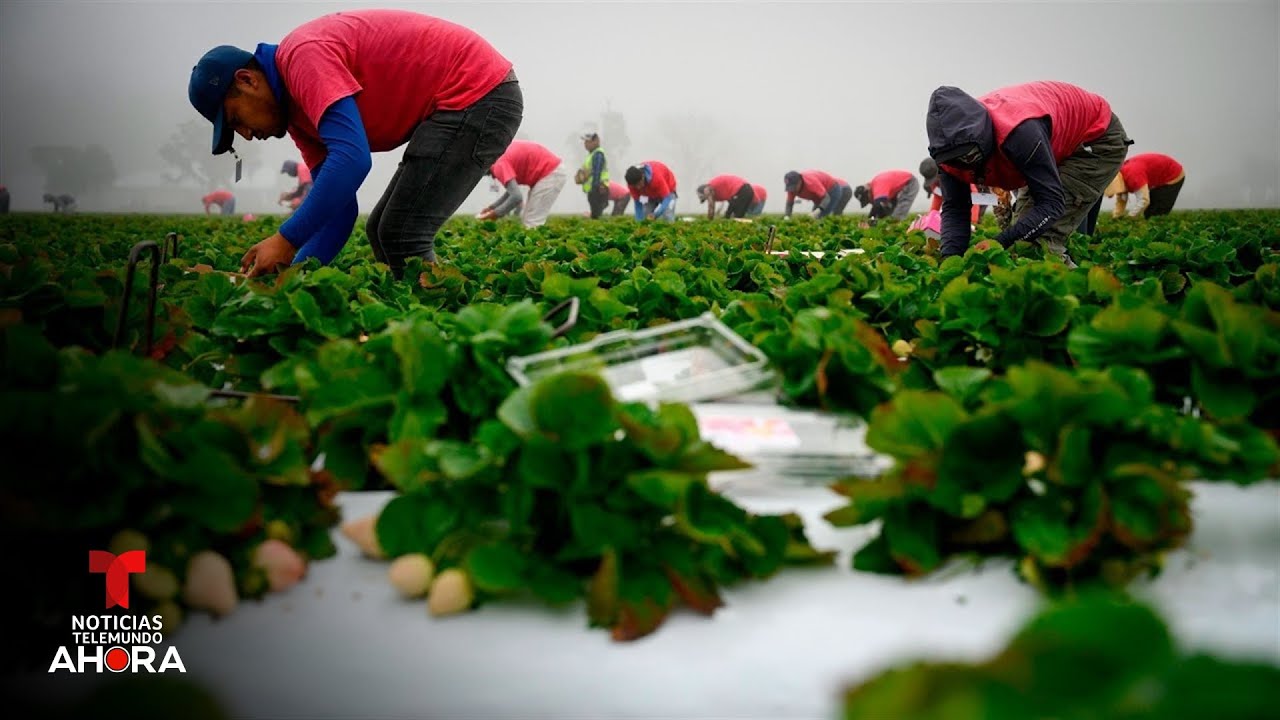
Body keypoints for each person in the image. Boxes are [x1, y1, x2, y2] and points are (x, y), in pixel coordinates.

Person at [188, 9, 522, 279]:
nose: (246, 135)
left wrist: (286, 240)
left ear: (247, 80)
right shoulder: (298, 116)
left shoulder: (302, 57)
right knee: (381, 230)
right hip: (455, 103)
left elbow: (352, 160)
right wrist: (290, 278)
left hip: (478, 91)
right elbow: (340, 211)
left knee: (402, 234)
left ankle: (451, 330)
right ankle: (420, 323)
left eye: (235, 120)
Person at [926, 81, 1131, 267]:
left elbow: (1051, 204)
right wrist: (950, 261)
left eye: (970, 156)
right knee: (1024, 236)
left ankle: (1084, 293)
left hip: (1095, 135)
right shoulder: (948, 156)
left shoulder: (1019, 134)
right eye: (955, 161)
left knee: (1035, 245)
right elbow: (956, 208)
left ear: (984, 137)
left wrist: (1000, 242)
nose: (964, 165)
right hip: (1051, 140)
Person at [476, 140, 567, 228]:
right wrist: (492, 208)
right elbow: (511, 192)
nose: (493, 177)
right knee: (529, 220)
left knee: (532, 221)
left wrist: (496, 214)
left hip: (550, 173)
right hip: (551, 171)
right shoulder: (499, 154)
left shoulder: (498, 165)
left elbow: (517, 197)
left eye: (487, 174)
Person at [1105, 152, 1186, 218]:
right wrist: (1116, 216)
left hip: (1173, 175)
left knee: (1156, 212)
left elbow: (1144, 200)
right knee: (1149, 211)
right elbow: (1122, 199)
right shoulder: (1120, 175)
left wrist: (1130, 216)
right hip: (1158, 178)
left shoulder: (1133, 176)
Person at [854, 169, 920, 223]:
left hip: (909, 183)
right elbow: (881, 207)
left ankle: (896, 229)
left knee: (897, 214)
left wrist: (870, 221)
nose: (870, 202)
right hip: (896, 192)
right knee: (887, 212)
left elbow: (877, 205)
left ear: (868, 192)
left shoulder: (878, 185)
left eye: (867, 200)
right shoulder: (875, 187)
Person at [783, 170, 851, 219]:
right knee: (813, 219)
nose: (793, 190)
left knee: (821, 217)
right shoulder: (791, 190)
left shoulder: (811, 183)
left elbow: (826, 198)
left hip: (832, 190)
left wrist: (818, 210)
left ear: (800, 181)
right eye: (790, 187)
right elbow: (789, 204)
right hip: (819, 196)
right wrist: (787, 217)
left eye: (794, 186)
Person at [578, 132, 611, 218]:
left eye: (587, 142)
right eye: (585, 142)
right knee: (596, 214)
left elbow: (597, 172)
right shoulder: (592, 154)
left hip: (597, 189)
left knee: (596, 215)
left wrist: (594, 189)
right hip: (593, 189)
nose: (585, 144)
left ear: (595, 141)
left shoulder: (598, 154)